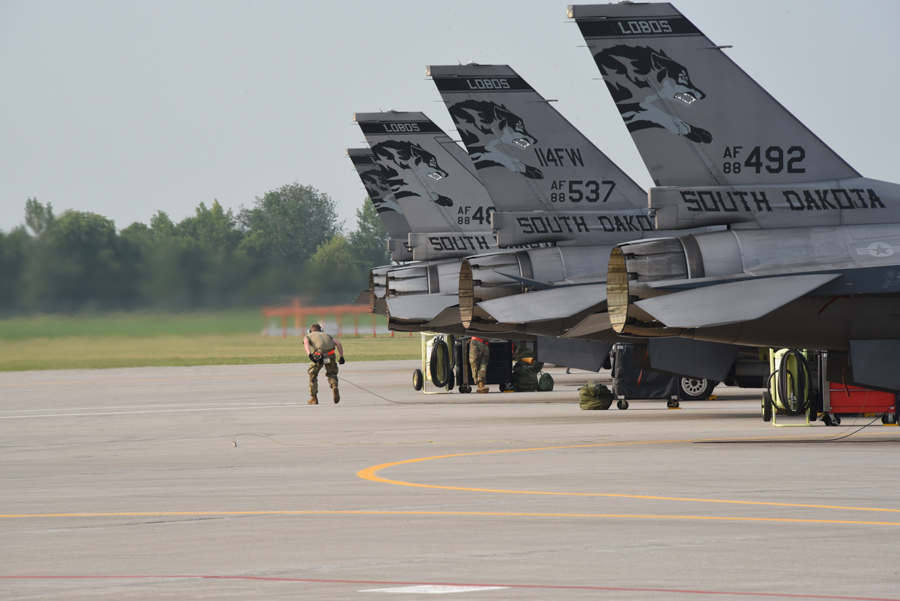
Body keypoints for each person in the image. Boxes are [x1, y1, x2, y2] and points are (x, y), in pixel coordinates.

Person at [303, 324, 345, 405]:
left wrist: (310, 355)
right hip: (331, 355)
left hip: (318, 355)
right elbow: (339, 344)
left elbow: (306, 343)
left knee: (313, 375)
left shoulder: (308, 335)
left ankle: (314, 398)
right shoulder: (327, 335)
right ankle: (334, 385)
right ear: (321, 330)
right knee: (332, 373)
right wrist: (342, 357)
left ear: (310, 331)